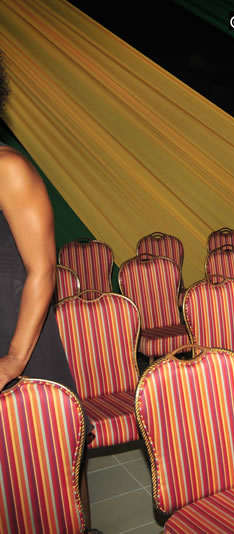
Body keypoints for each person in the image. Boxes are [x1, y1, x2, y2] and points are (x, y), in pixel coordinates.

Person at [0, 52, 77, 394]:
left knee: (33, 443)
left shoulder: (7, 168)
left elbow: (44, 269)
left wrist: (14, 360)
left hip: (13, 324)